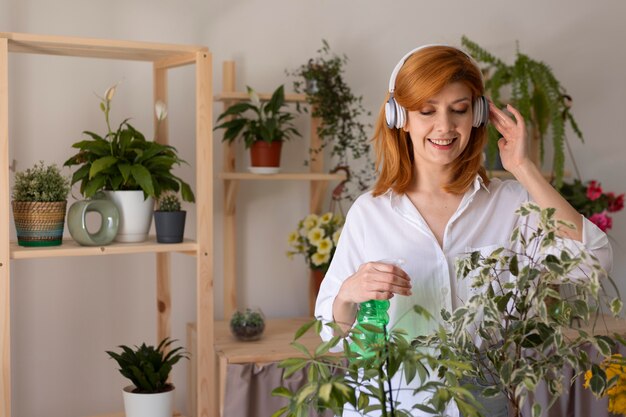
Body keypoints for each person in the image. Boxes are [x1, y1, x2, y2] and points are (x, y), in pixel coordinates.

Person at [314, 44, 613, 417]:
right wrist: (347, 295)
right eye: (427, 111)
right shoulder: (370, 213)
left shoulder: (510, 204)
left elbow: (592, 261)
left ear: (477, 115)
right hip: (389, 408)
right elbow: (334, 335)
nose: (445, 126)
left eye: (459, 110)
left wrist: (523, 168)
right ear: (398, 117)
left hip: (484, 406)